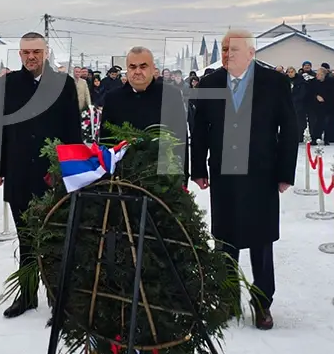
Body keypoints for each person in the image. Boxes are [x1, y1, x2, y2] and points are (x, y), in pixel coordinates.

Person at [190, 29, 299, 329]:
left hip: (261, 172)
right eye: (224, 49)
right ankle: (226, 299)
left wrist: (284, 173)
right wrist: (198, 168)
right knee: (224, 239)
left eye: (234, 49)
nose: (227, 54)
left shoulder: (274, 83)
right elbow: (200, 129)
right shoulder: (211, 83)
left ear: (251, 53)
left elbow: (289, 129)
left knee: (261, 240)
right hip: (224, 172)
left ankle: (262, 302)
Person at [0, 32, 82, 318]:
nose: (31, 57)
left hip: (52, 176)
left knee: (55, 239)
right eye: (26, 52)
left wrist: (74, 170)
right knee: (26, 238)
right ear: (19, 54)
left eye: (37, 52)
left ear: (46, 53)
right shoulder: (7, 85)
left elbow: (73, 130)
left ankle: (58, 300)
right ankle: (27, 295)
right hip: (19, 173)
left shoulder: (63, 84)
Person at [99, 46, 188, 180]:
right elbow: (105, 141)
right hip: (122, 179)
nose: (138, 71)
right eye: (133, 67)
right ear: (127, 70)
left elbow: (180, 138)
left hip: (162, 179)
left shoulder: (170, 95)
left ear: (153, 68)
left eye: (143, 66)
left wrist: (181, 178)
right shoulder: (113, 98)